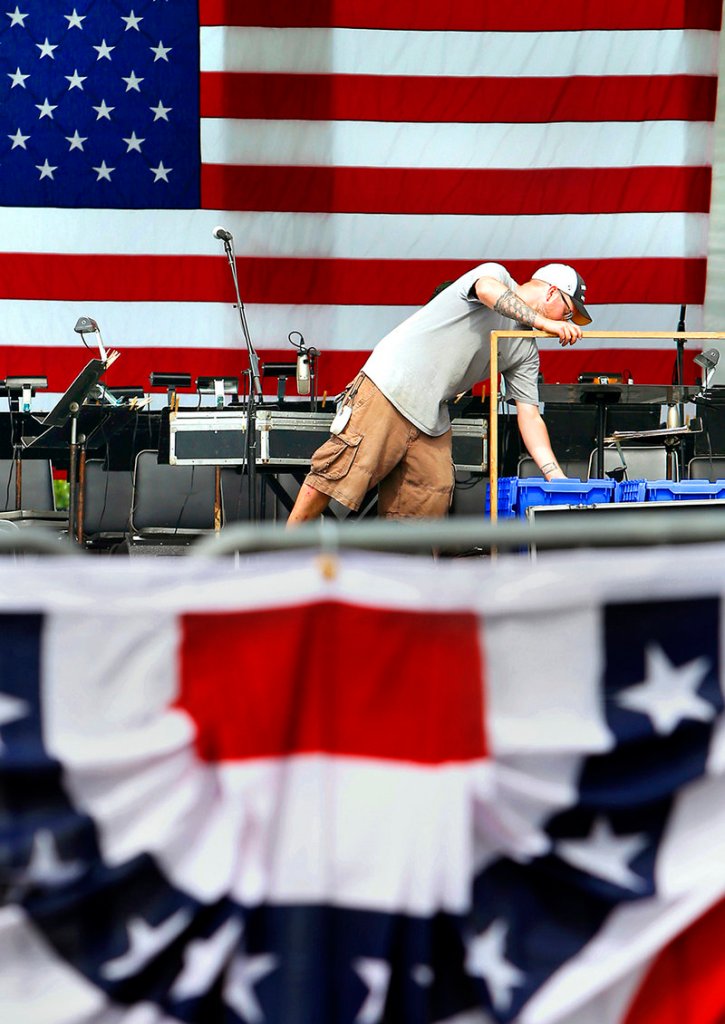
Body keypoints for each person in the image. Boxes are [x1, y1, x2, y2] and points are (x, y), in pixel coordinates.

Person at [287, 262, 591, 524]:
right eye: (568, 310)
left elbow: (529, 415)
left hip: (432, 413)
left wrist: (556, 478)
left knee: (428, 499)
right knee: (336, 475)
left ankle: (406, 583)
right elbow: (486, 290)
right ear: (551, 292)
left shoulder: (525, 350)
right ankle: (283, 557)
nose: (565, 321)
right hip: (390, 386)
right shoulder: (496, 274)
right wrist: (542, 321)